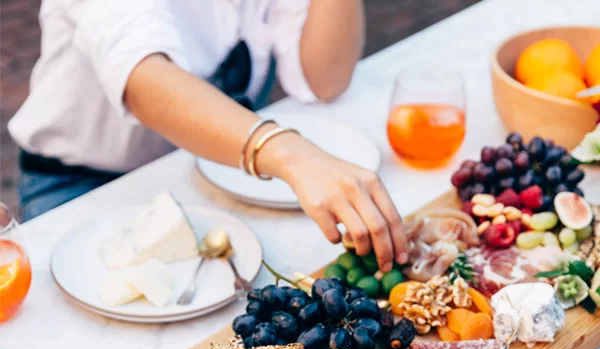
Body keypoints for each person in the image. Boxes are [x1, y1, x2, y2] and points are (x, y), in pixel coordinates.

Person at [9, 0, 407, 270]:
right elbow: (142, 79)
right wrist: (292, 154)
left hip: (217, 173)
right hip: (88, 184)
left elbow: (325, 79)